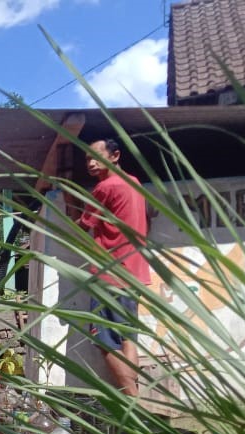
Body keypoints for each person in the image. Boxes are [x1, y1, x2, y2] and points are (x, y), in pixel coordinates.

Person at [77, 138, 151, 396]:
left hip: (109, 274)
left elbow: (82, 224)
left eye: (97, 156)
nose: (91, 163)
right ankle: (139, 402)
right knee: (128, 338)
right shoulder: (135, 184)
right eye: (87, 158)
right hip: (134, 274)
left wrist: (67, 199)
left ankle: (133, 404)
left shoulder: (104, 188)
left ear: (115, 155)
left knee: (105, 341)